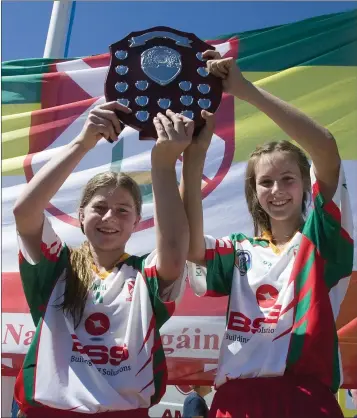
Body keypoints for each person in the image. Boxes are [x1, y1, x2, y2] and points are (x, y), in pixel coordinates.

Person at [180, 50, 354, 418]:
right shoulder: (239, 249)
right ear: (254, 191)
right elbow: (187, 243)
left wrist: (246, 90)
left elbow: (325, 147)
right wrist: (193, 160)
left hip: (305, 398)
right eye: (266, 182)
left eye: (288, 179)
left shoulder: (321, 239)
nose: (277, 190)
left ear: (306, 186)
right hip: (237, 400)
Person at [12, 102, 195, 417]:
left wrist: (163, 164)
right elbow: (25, 212)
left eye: (123, 210)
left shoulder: (145, 275)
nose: (110, 217)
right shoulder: (58, 266)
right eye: (99, 207)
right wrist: (83, 142)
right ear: (81, 216)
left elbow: (177, 246)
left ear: (137, 222)